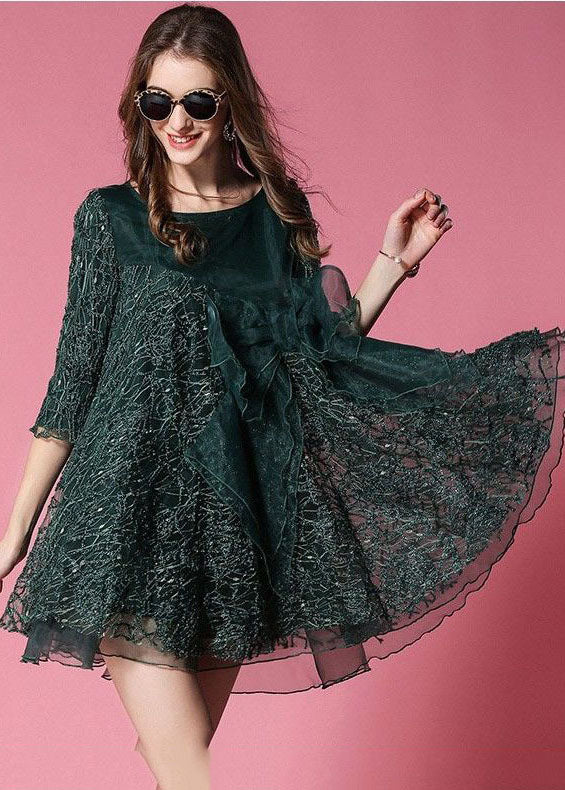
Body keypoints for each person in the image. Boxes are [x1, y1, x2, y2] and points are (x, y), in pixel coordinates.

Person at [1, 4, 564, 790]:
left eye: (198, 101)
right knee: (187, 767)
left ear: (229, 101)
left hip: (238, 522)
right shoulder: (110, 218)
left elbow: (311, 363)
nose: (177, 122)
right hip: (125, 512)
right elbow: (71, 386)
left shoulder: (273, 212)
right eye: (157, 102)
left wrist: (391, 264)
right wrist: (16, 532)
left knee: (178, 762)